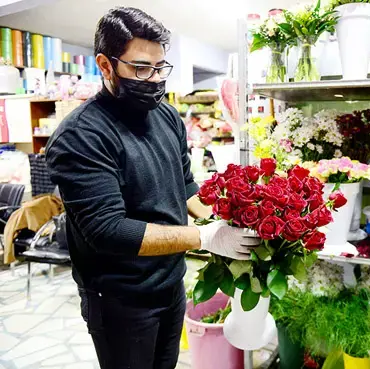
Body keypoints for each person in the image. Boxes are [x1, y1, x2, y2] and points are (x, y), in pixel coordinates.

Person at [46, 7, 256, 369]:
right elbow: (109, 231)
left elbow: (185, 186)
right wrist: (204, 238)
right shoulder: (82, 136)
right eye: (141, 68)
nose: (154, 80)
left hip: (170, 284)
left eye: (161, 68)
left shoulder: (167, 117)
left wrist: (225, 220)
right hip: (120, 299)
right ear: (106, 65)